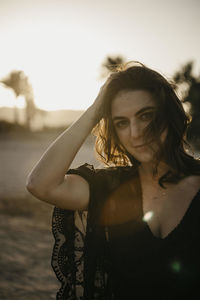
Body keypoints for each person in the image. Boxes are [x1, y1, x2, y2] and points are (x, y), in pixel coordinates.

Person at [26, 61, 200, 300]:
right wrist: (96, 109)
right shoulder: (111, 187)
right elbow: (41, 184)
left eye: (146, 116)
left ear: (169, 114)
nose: (135, 133)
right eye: (122, 123)